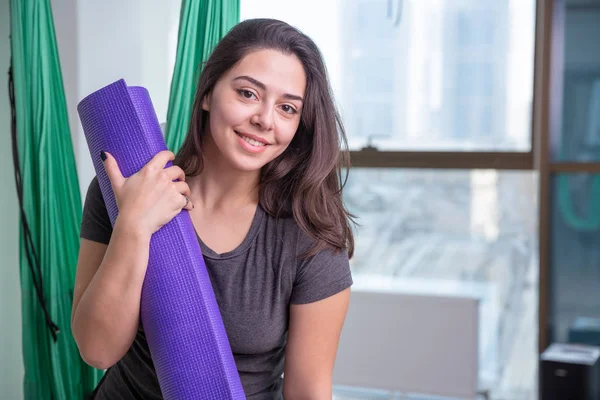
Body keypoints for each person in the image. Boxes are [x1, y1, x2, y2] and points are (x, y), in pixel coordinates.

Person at [71, 18, 355, 400]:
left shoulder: (310, 231)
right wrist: (134, 226)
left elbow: (307, 389)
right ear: (208, 93)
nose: (264, 119)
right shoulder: (132, 190)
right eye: (248, 94)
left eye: (287, 108)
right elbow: (97, 349)